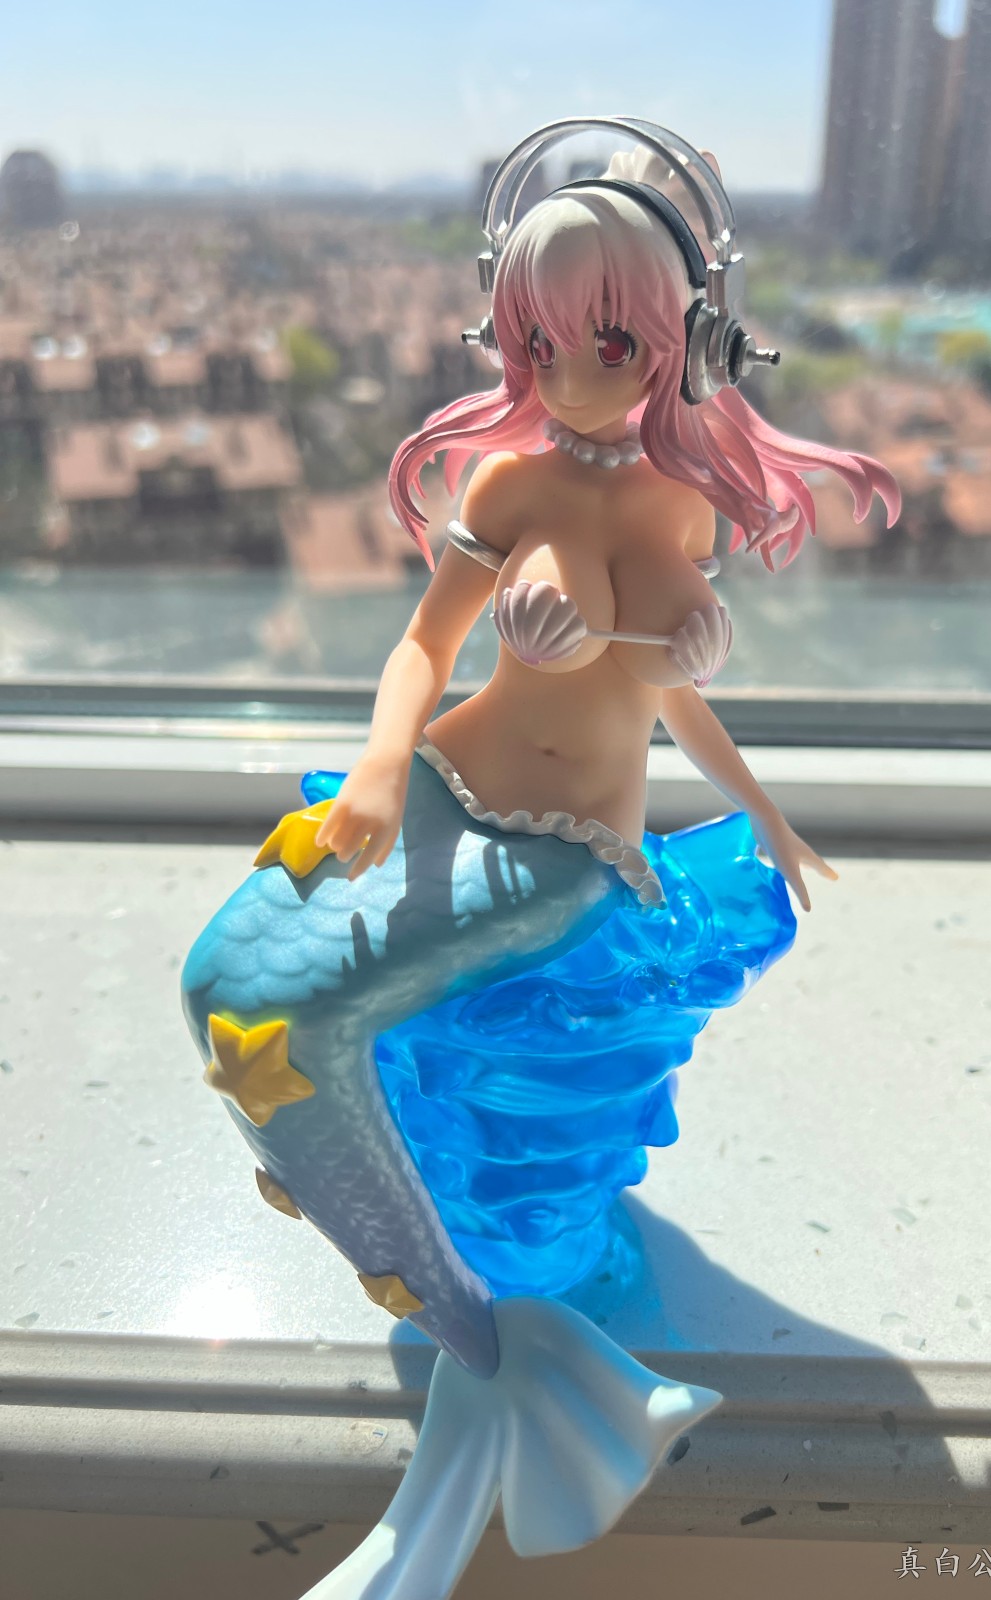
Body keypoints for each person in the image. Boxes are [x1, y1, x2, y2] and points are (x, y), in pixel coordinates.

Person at [181, 120, 899, 1600]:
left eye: (612, 342)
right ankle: (414, 1258)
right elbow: (420, 648)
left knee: (362, 1030)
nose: (573, 375)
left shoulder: (677, 499)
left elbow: (662, 700)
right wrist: (383, 765)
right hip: (453, 787)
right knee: (242, 990)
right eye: (540, 343)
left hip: (574, 859)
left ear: (688, 341)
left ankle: (474, 1304)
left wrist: (758, 807)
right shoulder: (508, 490)